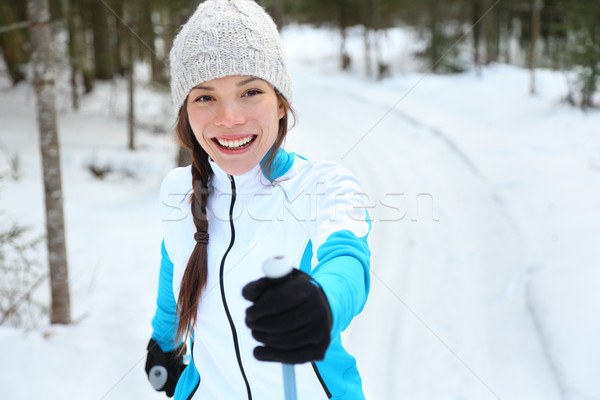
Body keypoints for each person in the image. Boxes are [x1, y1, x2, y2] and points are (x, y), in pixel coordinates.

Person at [144, 0, 371, 399]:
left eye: (250, 91)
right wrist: (164, 340)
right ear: (186, 112)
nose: (229, 118)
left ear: (281, 103)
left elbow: (348, 262)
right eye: (205, 97)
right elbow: (174, 263)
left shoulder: (324, 186)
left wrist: (321, 305)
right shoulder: (177, 190)